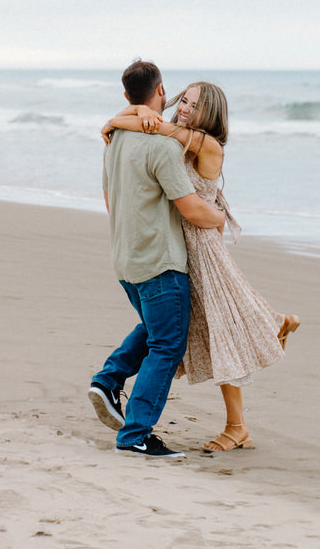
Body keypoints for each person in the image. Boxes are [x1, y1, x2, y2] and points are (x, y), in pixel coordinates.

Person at [102, 80, 299, 452]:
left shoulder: (206, 144)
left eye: (195, 105)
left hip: (201, 246)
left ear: (210, 112)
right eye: (185, 101)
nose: (186, 108)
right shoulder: (178, 138)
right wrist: (126, 117)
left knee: (221, 331)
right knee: (210, 328)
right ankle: (274, 324)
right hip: (178, 244)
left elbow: (155, 127)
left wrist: (125, 118)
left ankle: (237, 424)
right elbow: (150, 127)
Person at [88, 60, 228, 458]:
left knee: (153, 329)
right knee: (167, 344)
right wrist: (222, 217)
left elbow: (110, 201)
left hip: (126, 259)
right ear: (161, 91)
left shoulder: (114, 142)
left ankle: (108, 379)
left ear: (127, 96)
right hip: (161, 262)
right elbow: (192, 210)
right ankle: (135, 435)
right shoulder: (163, 147)